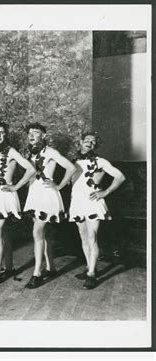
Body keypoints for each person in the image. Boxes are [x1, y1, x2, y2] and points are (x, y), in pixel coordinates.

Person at [0, 120, 36, 286]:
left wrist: (15, 187)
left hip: (5, 195)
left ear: (6, 135)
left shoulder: (11, 151)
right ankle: (9, 266)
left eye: (2, 133)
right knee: (3, 232)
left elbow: (31, 169)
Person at [69, 131, 125, 289]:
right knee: (83, 236)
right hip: (77, 202)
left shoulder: (100, 161)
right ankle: (89, 267)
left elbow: (120, 176)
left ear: (96, 146)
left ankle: (92, 275)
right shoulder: (74, 162)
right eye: (87, 140)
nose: (89, 143)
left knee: (92, 236)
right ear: (80, 142)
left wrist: (105, 192)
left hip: (92, 202)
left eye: (93, 142)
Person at [23, 122, 76, 289]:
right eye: (30, 132)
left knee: (37, 231)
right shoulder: (30, 152)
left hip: (46, 195)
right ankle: (51, 268)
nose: (31, 135)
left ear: (43, 136)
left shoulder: (51, 152)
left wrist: (59, 186)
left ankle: (37, 273)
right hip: (34, 194)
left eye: (36, 132)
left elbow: (71, 167)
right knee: (44, 234)